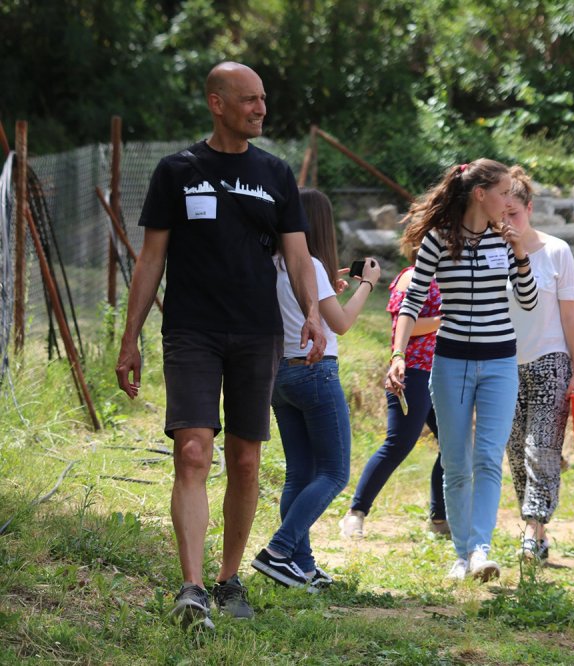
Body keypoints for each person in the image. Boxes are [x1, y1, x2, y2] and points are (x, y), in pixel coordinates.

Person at [115, 62, 325, 629]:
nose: (260, 109)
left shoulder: (276, 174)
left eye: (263, 99)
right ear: (217, 103)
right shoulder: (176, 171)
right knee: (192, 451)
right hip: (192, 331)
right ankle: (191, 587)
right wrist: (129, 337)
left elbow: (298, 255)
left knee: (247, 459)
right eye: (249, 100)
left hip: (258, 332)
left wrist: (311, 310)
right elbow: (151, 257)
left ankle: (229, 579)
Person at [385, 159, 537, 582]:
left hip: (500, 362)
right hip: (450, 361)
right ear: (480, 194)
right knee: (456, 462)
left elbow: (528, 300)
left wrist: (520, 251)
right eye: (504, 192)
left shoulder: (506, 241)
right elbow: (411, 302)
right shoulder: (438, 240)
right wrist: (398, 355)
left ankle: (481, 550)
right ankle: (462, 552)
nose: (510, 201)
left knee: (488, 458)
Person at [251, 188, 380, 589]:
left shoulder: (268, 263)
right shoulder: (313, 265)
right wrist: (368, 285)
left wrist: (329, 291)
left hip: (278, 376)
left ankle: (301, 565)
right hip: (315, 373)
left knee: (300, 473)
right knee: (334, 472)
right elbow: (339, 324)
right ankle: (277, 551)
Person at [503, 166, 574, 562]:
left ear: (529, 209)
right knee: (516, 450)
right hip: (504, 365)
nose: (507, 224)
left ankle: (533, 531)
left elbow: (570, 317)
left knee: (540, 449)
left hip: (551, 361)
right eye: (500, 216)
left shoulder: (556, 251)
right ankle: (537, 530)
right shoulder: (492, 253)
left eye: (514, 214)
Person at [340, 242, 447, 540]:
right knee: (398, 444)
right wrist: (445, 319)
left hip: (443, 373)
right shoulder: (412, 277)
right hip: (411, 372)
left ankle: (440, 519)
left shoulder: (447, 278)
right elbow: (406, 325)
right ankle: (355, 513)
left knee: (452, 446)